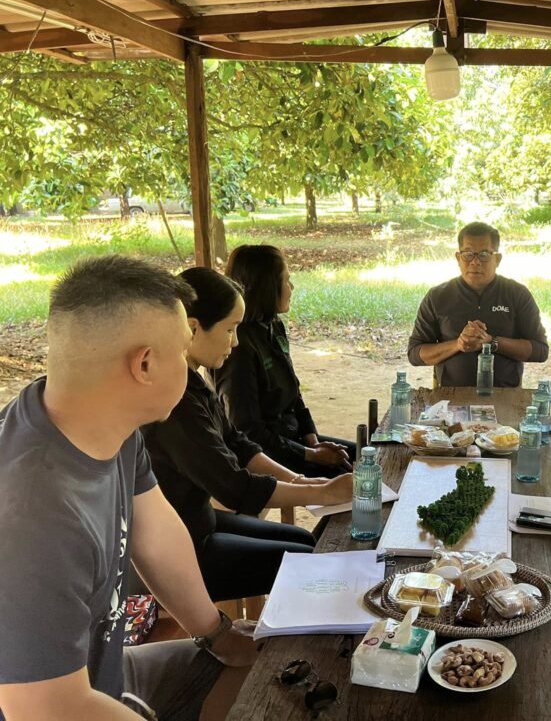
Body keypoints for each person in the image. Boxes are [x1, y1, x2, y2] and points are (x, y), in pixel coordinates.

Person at [0, 256, 258, 721]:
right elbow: (46, 709)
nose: (188, 366)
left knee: (268, 664)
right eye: (182, 352)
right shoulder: (29, 513)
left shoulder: (102, 422)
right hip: (59, 701)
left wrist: (216, 633)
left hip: (104, 673)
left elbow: (155, 534)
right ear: (144, 364)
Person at [144, 267, 353, 603]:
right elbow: (235, 487)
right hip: (181, 549)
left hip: (201, 522)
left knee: (306, 542)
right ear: (192, 328)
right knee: (308, 561)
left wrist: (302, 482)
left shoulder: (193, 381)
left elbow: (238, 444)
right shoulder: (175, 406)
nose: (236, 342)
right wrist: (324, 492)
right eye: (230, 329)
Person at [214, 244, 353, 478]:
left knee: (365, 457)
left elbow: (293, 391)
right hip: (266, 454)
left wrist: (313, 441)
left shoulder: (273, 325)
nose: (292, 287)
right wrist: (311, 455)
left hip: (293, 439)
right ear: (268, 287)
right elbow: (248, 431)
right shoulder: (238, 346)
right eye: (286, 280)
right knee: (353, 480)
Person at [408, 222, 549, 387]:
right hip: (451, 395)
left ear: (497, 259)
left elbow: (540, 351)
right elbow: (415, 354)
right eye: (468, 254)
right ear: (458, 258)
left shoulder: (517, 294)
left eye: (484, 254)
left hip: (506, 394)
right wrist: (458, 344)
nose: (475, 262)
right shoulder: (438, 297)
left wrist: (491, 342)